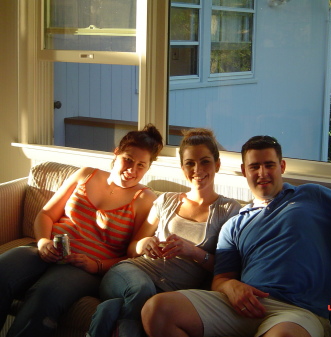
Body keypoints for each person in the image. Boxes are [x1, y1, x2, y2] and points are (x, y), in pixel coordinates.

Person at [140, 135, 331, 337]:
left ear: (282, 167)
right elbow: (221, 278)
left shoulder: (310, 196)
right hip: (243, 305)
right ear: (244, 171)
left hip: (299, 311)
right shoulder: (234, 223)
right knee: (157, 310)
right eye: (254, 166)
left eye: (269, 164)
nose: (262, 172)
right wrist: (232, 289)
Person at [0, 124, 164, 337]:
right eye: (128, 160)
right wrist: (42, 242)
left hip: (84, 269)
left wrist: (96, 266)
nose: (132, 170)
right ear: (116, 153)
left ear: (148, 167)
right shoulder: (86, 175)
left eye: (141, 165)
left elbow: (132, 254)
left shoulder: (144, 199)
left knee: (46, 295)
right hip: (46, 251)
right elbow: (46, 215)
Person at [86, 128, 242, 337]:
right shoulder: (165, 201)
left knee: (119, 308)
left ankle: (104, 321)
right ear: (182, 167)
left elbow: (229, 270)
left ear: (217, 165)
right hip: (129, 275)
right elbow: (133, 249)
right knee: (141, 291)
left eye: (205, 161)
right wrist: (145, 243)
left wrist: (193, 252)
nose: (197, 169)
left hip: (166, 295)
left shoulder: (229, 210)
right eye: (190, 163)